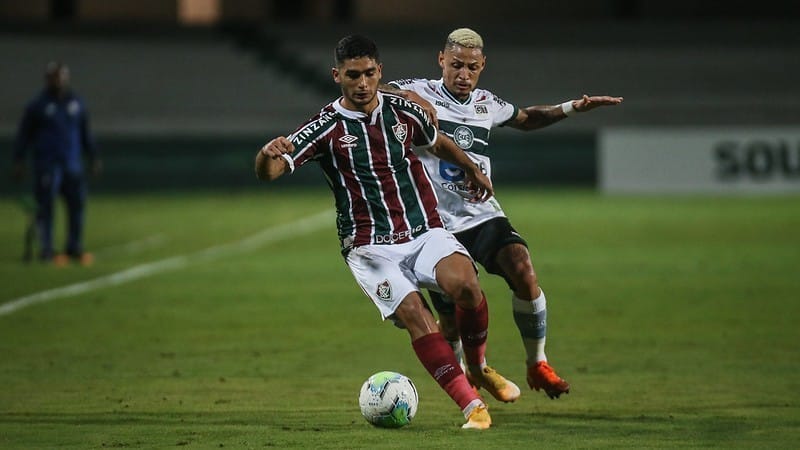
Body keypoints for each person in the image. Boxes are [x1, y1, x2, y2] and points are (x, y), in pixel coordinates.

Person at [255, 35, 523, 429]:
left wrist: (471, 168)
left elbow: (438, 143)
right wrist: (267, 155)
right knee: (416, 314)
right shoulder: (325, 126)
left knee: (467, 286)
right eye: (353, 75)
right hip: (369, 248)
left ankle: (478, 366)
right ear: (337, 76)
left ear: (380, 72)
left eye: (369, 73)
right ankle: (473, 407)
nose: (362, 83)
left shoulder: (404, 111)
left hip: (422, 230)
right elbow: (272, 172)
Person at [385, 28, 623, 400]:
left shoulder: (486, 103)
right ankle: (470, 380)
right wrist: (407, 96)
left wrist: (572, 107)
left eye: (472, 67)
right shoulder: (419, 90)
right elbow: (371, 90)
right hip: (432, 223)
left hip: (480, 213)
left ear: (482, 66)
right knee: (450, 320)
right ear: (441, 60)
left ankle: (537, 363)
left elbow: (527, 118)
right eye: (456, 65)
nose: (463, 74)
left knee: (522, 267)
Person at [13, 61, 101, 266]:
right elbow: (24, 135)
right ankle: (47, 249)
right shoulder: (37, 106)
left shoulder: (76, 103)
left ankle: (74, 247)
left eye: (62, 76)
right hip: (47, 164)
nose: (59, 80)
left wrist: (93, 157)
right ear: (48, 79)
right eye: (55, 77)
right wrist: (19, 159)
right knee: (46, 207)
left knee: (77, 206)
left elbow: (85, 133)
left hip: (72, 164)